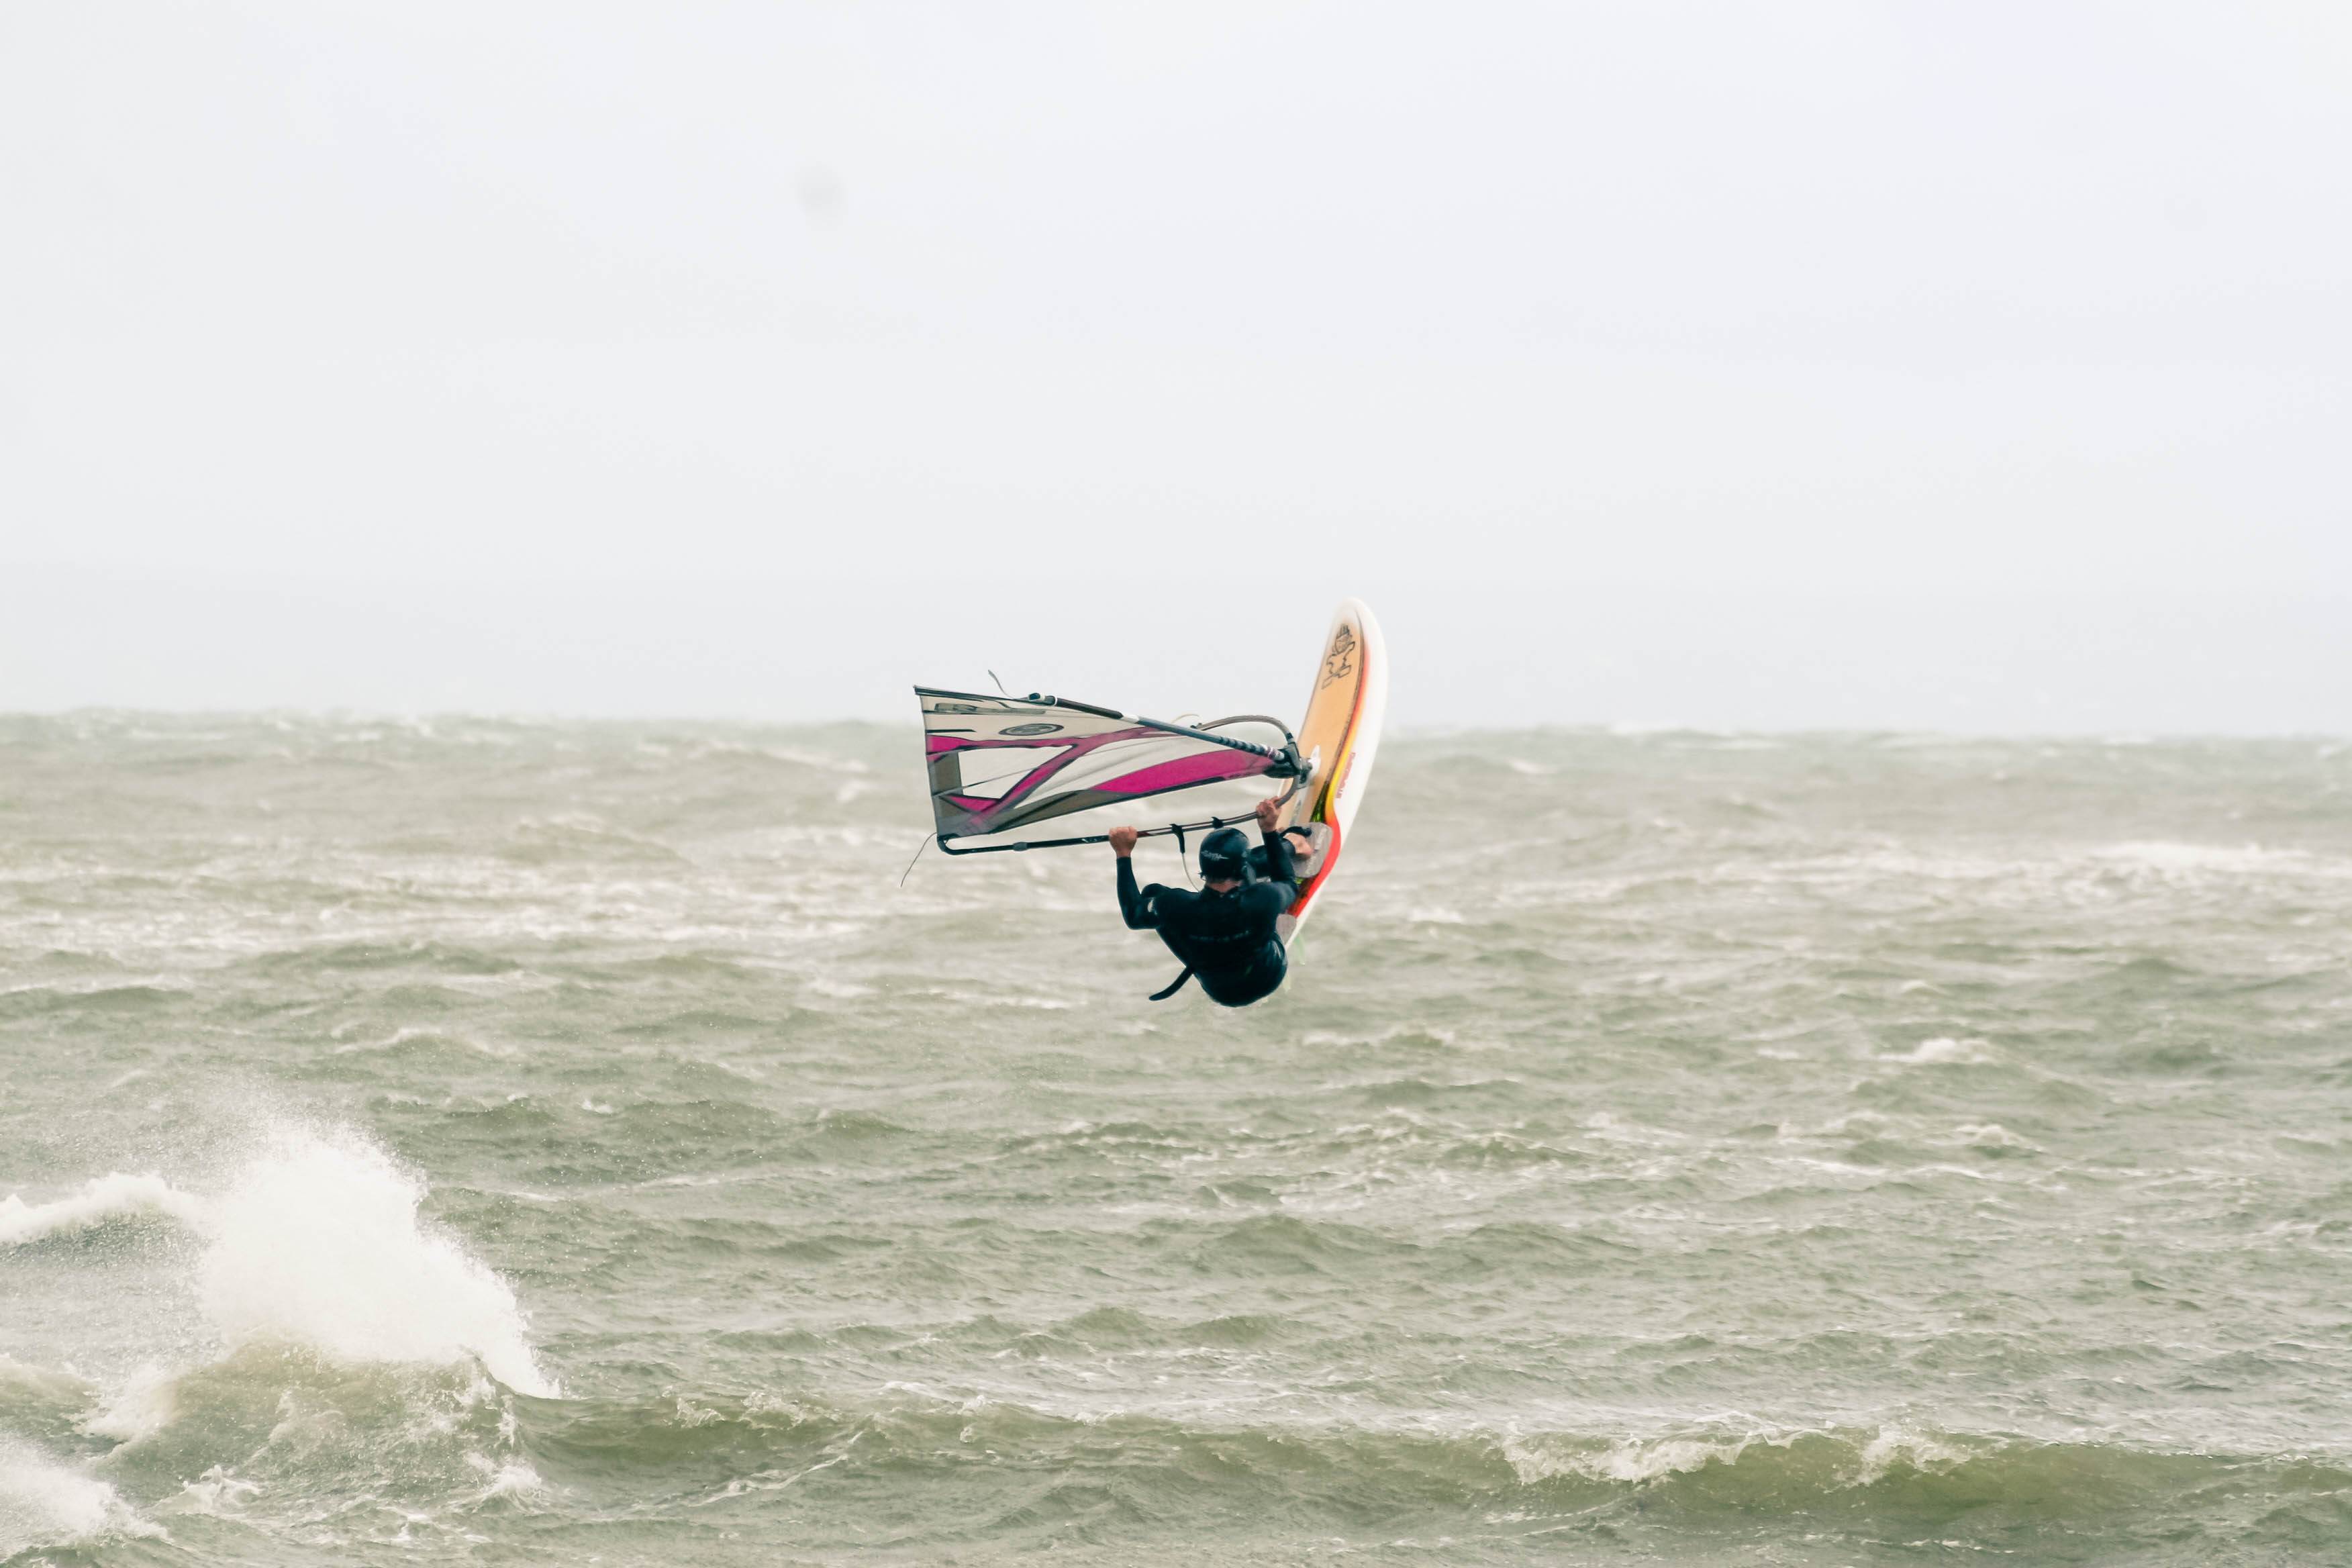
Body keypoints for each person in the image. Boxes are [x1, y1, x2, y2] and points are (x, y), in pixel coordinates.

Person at [1109, 797, 1302, 1006]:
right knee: (1255, 871)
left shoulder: (1175, 905)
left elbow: (1133, 916)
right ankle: (1295, 845)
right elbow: (1288, 883)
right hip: (1268, 976)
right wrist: (1269, 831)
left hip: (1220, 991)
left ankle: (1283, 849)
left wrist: (1123, 853)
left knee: (1153, 894)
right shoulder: (1263, 899)